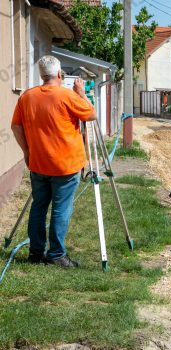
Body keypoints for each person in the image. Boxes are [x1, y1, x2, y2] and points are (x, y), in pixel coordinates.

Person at [11, 55, 96, 267]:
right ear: (59, 74)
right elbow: (91, 114)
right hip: (65, 166)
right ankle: (56, 254)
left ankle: (36, 253)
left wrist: (27, 152)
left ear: (42, 75)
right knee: (60, 209)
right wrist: (82, 94)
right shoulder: (67, 96)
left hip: (38, 163)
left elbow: (16, 127)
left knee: (39, 207)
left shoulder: (26, 97)